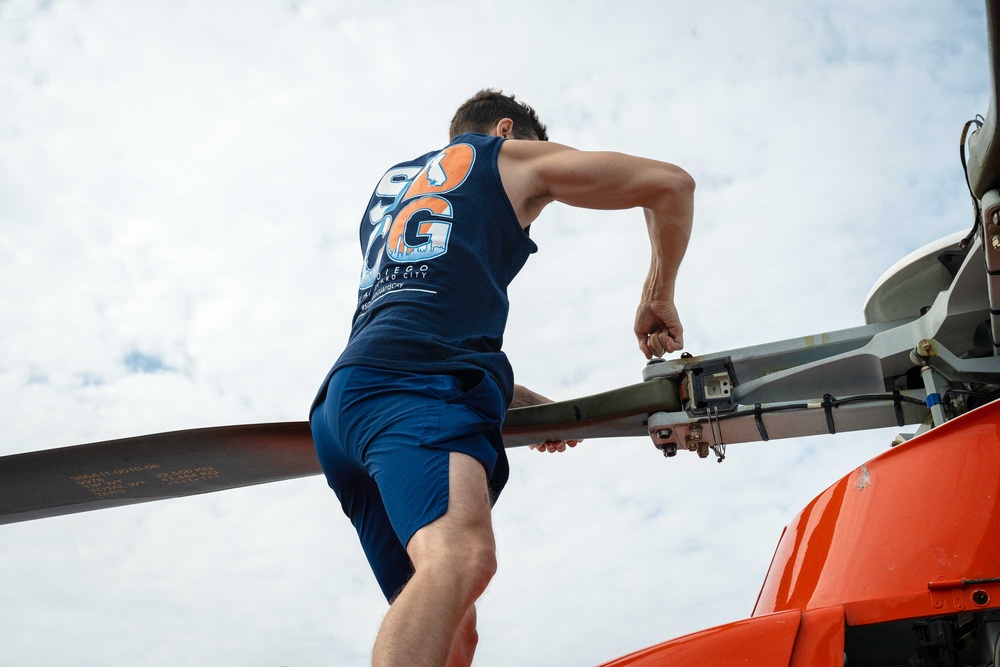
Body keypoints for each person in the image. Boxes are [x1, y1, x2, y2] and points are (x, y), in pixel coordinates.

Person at [309, 89, 694, 667]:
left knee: (453, 630)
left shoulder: (393, 191)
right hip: (414, 389)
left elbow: (417, 311)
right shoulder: (502, 157)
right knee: (461, 556)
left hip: (347, 405)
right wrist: (655, 294)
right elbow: (670, 183)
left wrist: (507, 395)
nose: (542, 202)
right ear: (506, 130)